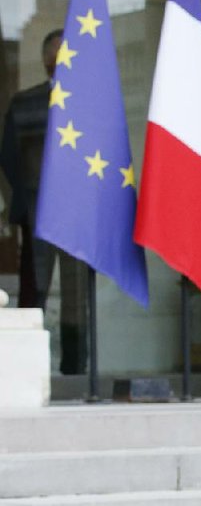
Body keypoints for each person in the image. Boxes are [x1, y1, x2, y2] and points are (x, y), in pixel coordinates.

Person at [0, 29, 87, 374]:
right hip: (37, 217)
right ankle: (27, 373)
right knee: (33, 293)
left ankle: (75, 373)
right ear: (47, 62)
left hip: (78, 218)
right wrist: (18, 208)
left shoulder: (89, 106)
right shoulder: (25, 104)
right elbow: (7, 162)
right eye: (58, 57)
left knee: (77, 299)